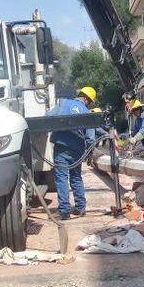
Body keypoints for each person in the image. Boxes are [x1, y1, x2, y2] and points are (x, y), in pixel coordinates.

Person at [47, 86, 95, 219]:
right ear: (86, 99)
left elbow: (48, 117)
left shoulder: (64, 103)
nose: (89, 103)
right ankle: (80, 208)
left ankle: (64, 211)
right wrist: (90, 153)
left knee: (62, 177)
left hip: (62, 146)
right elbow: (90, 137)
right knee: (76, 177)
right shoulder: (87, 111)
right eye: (90, 101)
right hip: (77, 149)